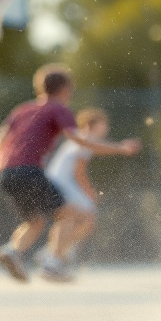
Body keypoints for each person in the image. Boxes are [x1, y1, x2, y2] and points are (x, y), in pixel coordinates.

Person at [0, 65, 140, 283]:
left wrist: (4, 162)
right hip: (28, 171)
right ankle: (52, 264)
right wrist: (120, 148)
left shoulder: (22, 109)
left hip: (4, 174)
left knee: (35, 222)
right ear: (65, 89)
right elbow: (78, 139)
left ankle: (12, 251)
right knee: (71, 214)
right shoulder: (57, 109)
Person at [41, 107, 114, 270]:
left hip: (57, 183)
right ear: (91, 125)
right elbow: (79, 173)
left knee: (75, 219)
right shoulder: (84, 140)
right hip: (61, 185)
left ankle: (55, 252)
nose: (106, 128)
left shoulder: (81, 140)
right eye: (103, 124)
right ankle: (54, 254)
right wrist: (90, 194)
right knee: (86, 217)